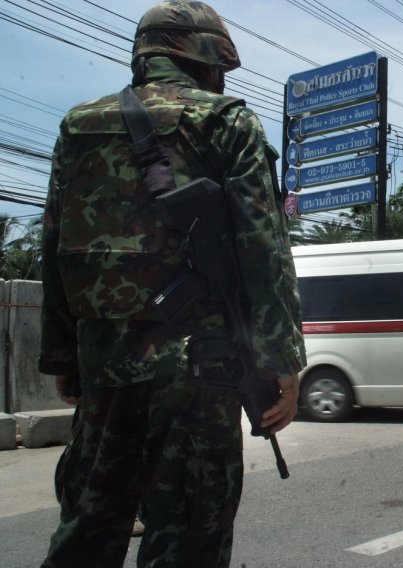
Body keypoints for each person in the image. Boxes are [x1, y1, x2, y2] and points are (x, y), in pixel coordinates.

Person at [38, 2, 306, 566]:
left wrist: (65, 356)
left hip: (103, 363)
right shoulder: (227, 119)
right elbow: (265, 247)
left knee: (89, 525)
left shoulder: (78, 124)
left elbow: (56, 245)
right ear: (208, 55)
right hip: (198, 369)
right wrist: (282, 358)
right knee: (186, 534)